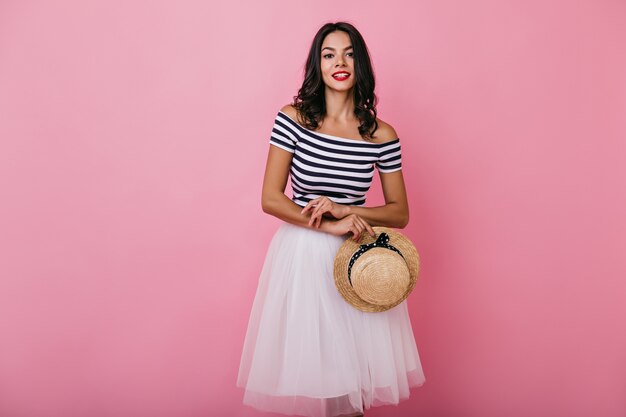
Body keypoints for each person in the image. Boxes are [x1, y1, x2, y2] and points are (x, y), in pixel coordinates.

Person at [236, 21, 425, 417]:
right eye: (328, 54)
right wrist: (330, 223)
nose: (339, 62)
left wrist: (346, 211)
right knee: (323, 384)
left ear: (361, 64)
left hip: (357, 261)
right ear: (317, 66)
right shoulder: (293, 119)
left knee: (350, 391)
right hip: (304, 259)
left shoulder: (381, 135)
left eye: (349, 53)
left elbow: (399, 212)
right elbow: (271, 199)